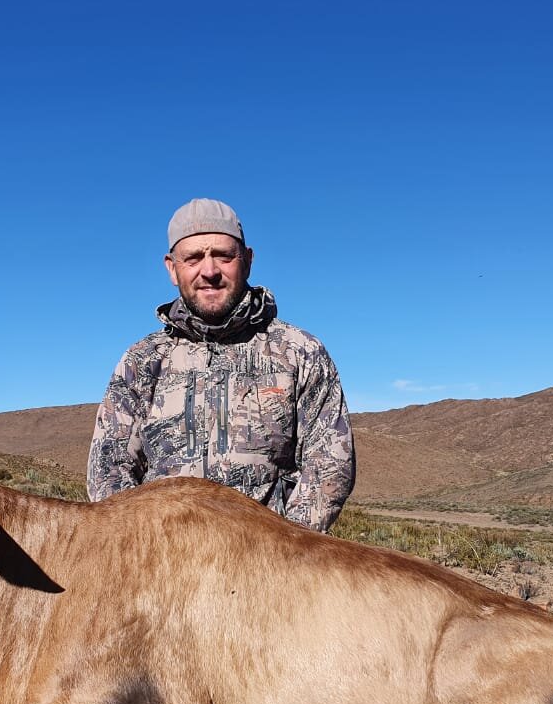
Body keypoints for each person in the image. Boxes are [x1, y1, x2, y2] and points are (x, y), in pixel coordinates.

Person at [86, 198, 355, 532]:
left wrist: (285, 553)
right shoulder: (142, 361)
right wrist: (143, 550)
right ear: (172, 268)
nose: (209, 271)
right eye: (194, 258)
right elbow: (108, 470)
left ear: (248, 261)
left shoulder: (300, 352)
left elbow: (330, 466)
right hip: (161, 566)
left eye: (223, 255)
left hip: (271, 568)